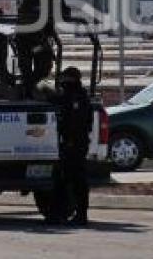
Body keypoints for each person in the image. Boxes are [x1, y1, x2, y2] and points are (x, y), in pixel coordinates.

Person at [51, 66, 91, 226]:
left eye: (65, 79)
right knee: (73, 179)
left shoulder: (74, 97)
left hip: (73, 143)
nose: (63, 83)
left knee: (70, 180)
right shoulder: (79, 96)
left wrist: (68, 140)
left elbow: (74, 122)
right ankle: (76, 213)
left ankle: (72, 214)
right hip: (76, 142)